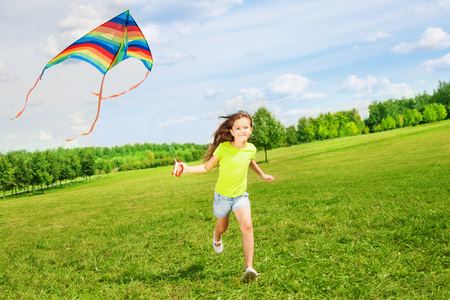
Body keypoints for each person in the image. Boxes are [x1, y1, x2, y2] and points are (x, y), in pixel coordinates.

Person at [178, 111, 274, 281]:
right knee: (223, 228)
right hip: (222, 198)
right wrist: (188, 169)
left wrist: (262, 174)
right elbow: (207, 168)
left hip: (240, 197)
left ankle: (249, 268)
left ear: (251, 130)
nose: (242, 131)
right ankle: (217, 236)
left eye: (246, 127)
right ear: (231, 131)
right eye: (238, 128)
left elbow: (250, 160)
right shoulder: (223, 148)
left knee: (248, 226)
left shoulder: (251, 148)